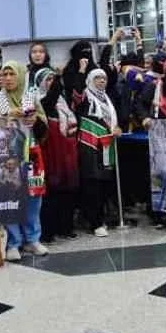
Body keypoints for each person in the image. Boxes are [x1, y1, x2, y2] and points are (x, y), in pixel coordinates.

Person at [0, 61, 49, 259]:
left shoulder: (30, 97)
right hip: (7, 158)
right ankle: (13, 242)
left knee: (33, 198)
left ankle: (32, 239)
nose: (7, 78)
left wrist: (36, 120)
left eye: (12, 74)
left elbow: (44, 124)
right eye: (4, 74)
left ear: (21, 76)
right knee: (9, 197)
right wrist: (6, 117)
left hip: (31, 154)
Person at [33, 68, 79, 241]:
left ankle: (65, 227)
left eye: (53, 79)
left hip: (65, 149)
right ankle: (48, 231)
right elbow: (51, 98)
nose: (51, 82)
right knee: (51, 190)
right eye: (48, 79)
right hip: (49, 150)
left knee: (67, 188)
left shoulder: (62, 101)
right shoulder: (38, 100)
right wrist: (59, 77)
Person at [76, 69, 122, 237]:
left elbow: (111, 120)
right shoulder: (85, 96)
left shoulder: (107, 98)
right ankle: (94, 222)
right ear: (90, 80)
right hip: (89, 144)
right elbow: (76, 93)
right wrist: (81, 71)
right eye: (97, 78)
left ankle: (101, 218)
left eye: (104, 78)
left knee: (104, 182)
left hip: (106, 144)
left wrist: (117, 129)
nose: (102, 81)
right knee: (92, 182)